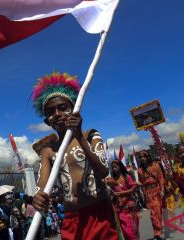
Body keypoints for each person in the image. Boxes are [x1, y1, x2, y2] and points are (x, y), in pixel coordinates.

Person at [31, 72, 119, 240]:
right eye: (51, 112)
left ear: (74, 110)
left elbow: (103, 171)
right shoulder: (48, 151)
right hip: (71, 221)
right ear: (47, 122)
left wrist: (79, 136)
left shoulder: (91, 135)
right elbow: (42, 186)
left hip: (100, 216)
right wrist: (38, 198)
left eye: (62, 108)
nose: (57, 114)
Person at [105, 159, 140, 240]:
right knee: (126, 231)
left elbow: (133, 188)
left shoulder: (127, 177)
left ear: (120, 167)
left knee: (133, 231)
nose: (114, 169)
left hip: (130, 208)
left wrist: (121, 193)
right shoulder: (112, 180)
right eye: (113, 167)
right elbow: (108, 189)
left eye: (116, 167)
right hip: (120, 209)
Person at [137, 150, 165, 240]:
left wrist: (162, 189)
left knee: (158, 211)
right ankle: (157, 233)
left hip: (157, 190)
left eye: (144, 156)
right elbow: (141, 183)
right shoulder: (140, 170)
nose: (142, 158)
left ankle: (159, 230)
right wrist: (138, 185)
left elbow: (161, 178)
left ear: (148, 156)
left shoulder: (155, 166)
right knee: (153, 213)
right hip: (148, 193)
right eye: (141, 157)